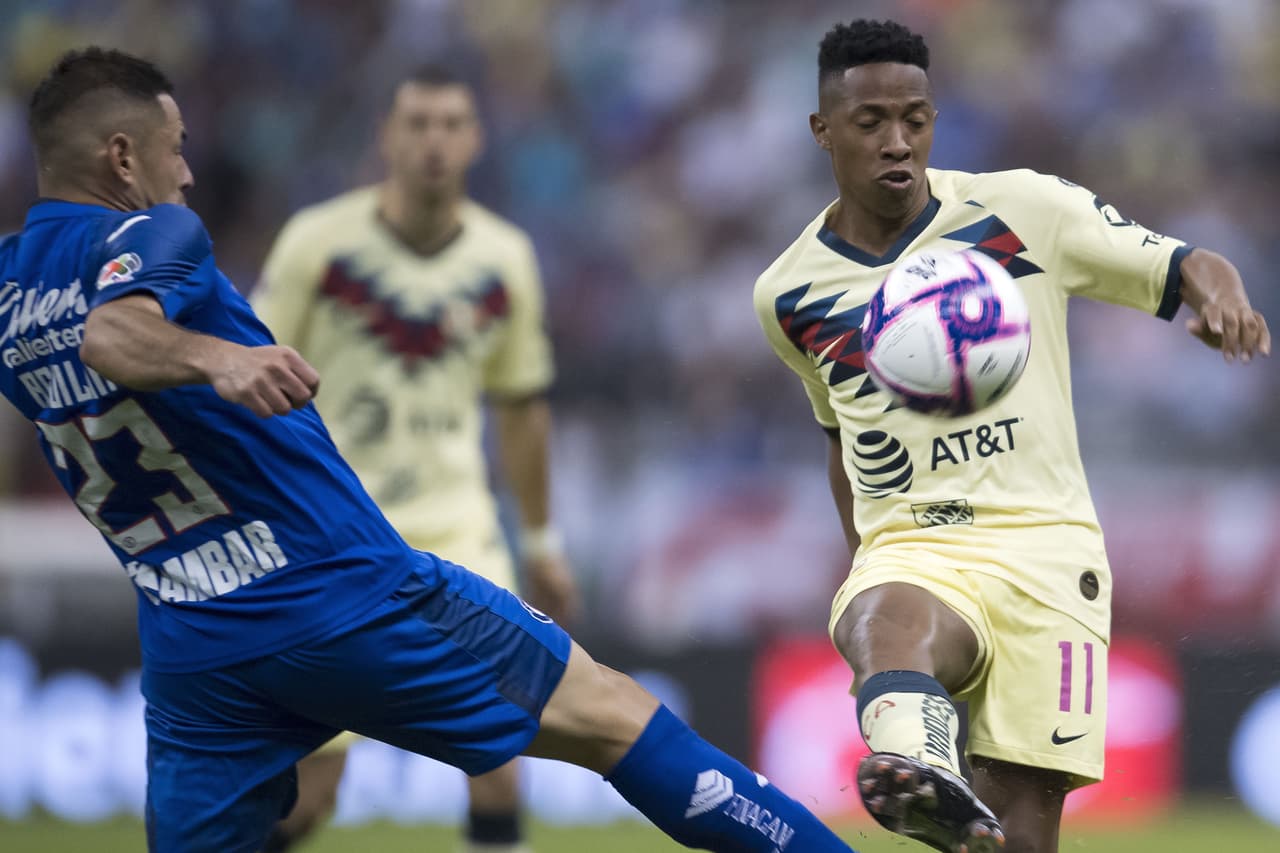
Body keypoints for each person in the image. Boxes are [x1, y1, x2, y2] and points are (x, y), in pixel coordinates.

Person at [1, 47, 859, 853]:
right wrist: (222, 359)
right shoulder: (154, 233)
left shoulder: (10, 292)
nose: (186, 172)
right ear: (122, 158)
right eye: (174, 147)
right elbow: (114, 335)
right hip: (339, 590)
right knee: (619, 719)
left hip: (195, 647)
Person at [753, 18, 1270, 853]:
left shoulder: (1026, 207)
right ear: (823, 130)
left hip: (1049, 554)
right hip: (915, 544)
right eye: (870, 121)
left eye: (915, 119)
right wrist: (862, 557)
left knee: (1015, 840)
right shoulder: (788, 294)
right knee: (886, 611)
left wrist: (1224, 298)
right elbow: (837, 435)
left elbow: (1184, 263)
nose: (898, 142)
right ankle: (916, 767)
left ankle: (943, 801)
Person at [250, 65, 578, 853]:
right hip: (330, 530)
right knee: (310, 794)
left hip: (457, 528)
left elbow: (522, 407)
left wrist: (540, 541)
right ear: (387, 136)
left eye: (449, 124)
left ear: (474, 139)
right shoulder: (318, 244)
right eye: (418, 123)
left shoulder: (505, 258)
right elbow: (250, 371)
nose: (433, 141)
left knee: (503, 747)